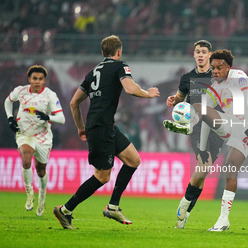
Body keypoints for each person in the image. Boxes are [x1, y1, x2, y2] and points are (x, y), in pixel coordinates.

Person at [53, 35, 160, 229]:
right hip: (101, 128)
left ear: (103, 53)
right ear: (118, 52)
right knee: (102, 176)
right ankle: (65, 210)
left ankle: (113, 207)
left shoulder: (92, 72)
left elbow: (74, 102)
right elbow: (129, 88)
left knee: (133, 160)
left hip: (104, 126)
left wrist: (80, 127)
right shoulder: (120, 66)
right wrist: (147, 93)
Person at [164, 49, 248, 231]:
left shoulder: (239, 77)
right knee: (198, 106)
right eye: (214, 68)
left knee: (230, 167)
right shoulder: (213, 89)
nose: (215, 71)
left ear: (229, 68)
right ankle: (188, 126)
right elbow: (205, 119)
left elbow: (247, 99)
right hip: (229, 125)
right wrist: (202, 148)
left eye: (220, 68)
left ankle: (223, 219)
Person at [166, 40, 224, 229]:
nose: (200, 54)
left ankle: (185, 214)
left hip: (216, 127)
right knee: (205, 165)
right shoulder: (186, 78)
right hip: (197, 126)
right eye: (197, 51)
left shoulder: (218, 76)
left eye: (204, 52)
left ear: (210, 55)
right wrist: (173, 101)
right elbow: (179, 101)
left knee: (203, 173)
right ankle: (184, 203)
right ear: (194, 55)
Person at [4, 65, 65, 216]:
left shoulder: (50, 95)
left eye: (40, 79)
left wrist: (48, 117)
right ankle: (30, 194)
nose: (37, 82)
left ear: (44, 80)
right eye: (34, 78)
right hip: (25, 134)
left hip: (43, 137)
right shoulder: (21, 91)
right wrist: (10, 118)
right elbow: (8, 101)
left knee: (40, 170)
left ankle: (42, 197)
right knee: (26, 159)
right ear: (29, 79)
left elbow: (62, 118)